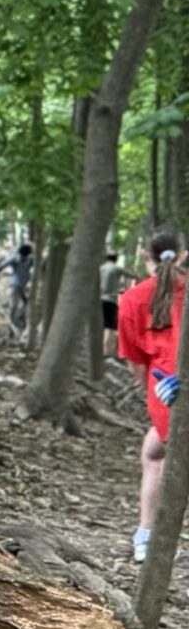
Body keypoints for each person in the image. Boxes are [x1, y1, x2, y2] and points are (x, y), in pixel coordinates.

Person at [116, 231, 183, 565]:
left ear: (146, 255)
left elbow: (135, 362)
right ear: (183, 255)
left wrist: (155, 396)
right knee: (155, 451)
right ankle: (146, 534)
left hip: (164, 389)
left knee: (158, 452)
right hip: (172, 391)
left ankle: (146, 535)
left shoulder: (132, 298)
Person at [102, 250, 129, 361]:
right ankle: (106, 352)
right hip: (111, 300)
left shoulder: (101, 268)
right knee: (110, 327)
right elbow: (132, 275)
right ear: (116, 258)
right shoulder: (117, 269)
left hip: (99, 299)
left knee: (102, 326)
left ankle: (101, 350)